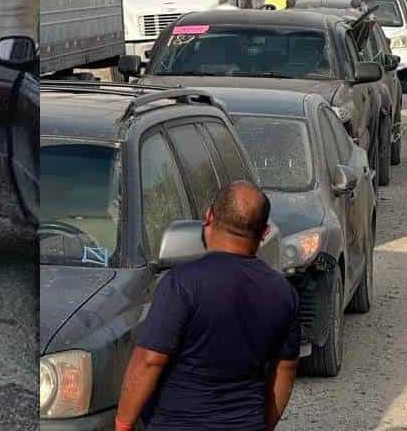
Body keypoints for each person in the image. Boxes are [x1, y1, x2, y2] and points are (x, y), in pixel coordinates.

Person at [114, 181, 300, 431]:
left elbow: (149, 360)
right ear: (265, 232)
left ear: (209, 216)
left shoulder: (181, 284)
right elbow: (285, 371)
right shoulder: (283, 293)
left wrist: (123, 424)